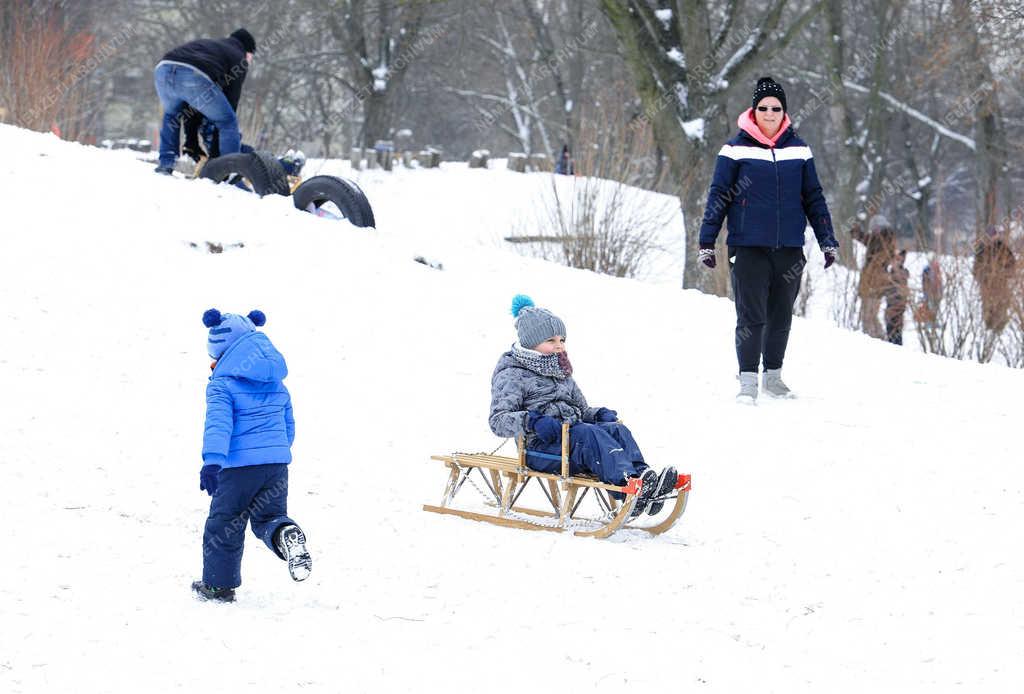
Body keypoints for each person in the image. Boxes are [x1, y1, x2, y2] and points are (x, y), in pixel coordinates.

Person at [698, 76, 838, 402]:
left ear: (784, 111)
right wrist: (707, 242)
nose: (770, 113)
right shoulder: (734, 149)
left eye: (776, 108)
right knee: (751, 316)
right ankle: (748, 381)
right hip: (748, 246)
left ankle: (773, 378)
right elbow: (718, 196)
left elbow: (813, 197)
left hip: (789, 246)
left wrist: (827, 239)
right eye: (764, 108)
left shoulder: (799, 150)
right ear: (754, 110)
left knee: (781, 314)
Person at [488, 295, 676, 517]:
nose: (559, 346)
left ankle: (644, 479)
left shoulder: (561, 372)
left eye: (562, 340)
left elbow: (582, 411)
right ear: (531, 343)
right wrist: (532, 421)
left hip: (573, 441)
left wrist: (598, 414)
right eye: (551, 341)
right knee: (588, 433)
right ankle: (627, 485)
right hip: (539, 448)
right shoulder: (512, 374)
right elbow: (498, 421)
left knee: (616, 429)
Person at [192, 308, 311, 603]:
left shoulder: (222, 384)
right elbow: (288, 425)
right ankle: (286, 534)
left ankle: (218, 587)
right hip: (276, 466)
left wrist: (212, 462)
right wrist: (276, 453)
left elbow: (219, 425)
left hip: (237, 470)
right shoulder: (276, 382)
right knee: (269, 517)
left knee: (224, 524)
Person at [153, 28, 256, 175]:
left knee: (171, 115)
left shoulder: (211, 45)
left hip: (163, 68)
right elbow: (231, 101)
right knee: (227, 120)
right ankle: (230, 171)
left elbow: (193, 107)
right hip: (193, 74)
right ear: (248, 52)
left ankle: (165, 164)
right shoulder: (239, 57)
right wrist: (215, 155)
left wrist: (191, 141)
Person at [851, 214, 898, 339]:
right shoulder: (877, 239)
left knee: (869, 315)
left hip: (875, 284)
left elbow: (878, 259)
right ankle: (877, 338)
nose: (873, 231)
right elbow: (865, 239)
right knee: (869, 314)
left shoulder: (885, 240)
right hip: (871, 283)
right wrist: (856, 231)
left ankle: (874, 339)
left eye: (875, 229)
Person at [973, 226, 1016, 332]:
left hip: (1000, 285)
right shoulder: (981, 250)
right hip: (987, 286)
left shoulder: (1004, 249)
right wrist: (985, 276)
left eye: (994, 235)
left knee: (1001, 307)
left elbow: (1012, 266)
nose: (992, 238)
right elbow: (976, 269)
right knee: (988, 308)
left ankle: (1000, 328)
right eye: (990, 235)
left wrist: (1001, 273)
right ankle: (989, 328)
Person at [884, 249, 909, 345]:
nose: (895, 261)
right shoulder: (890, 272)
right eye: (894, 259)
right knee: (890, 335)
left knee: (897, 336)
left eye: (898, 259)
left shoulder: (902, 273)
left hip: (898, 310)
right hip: (890, 309)